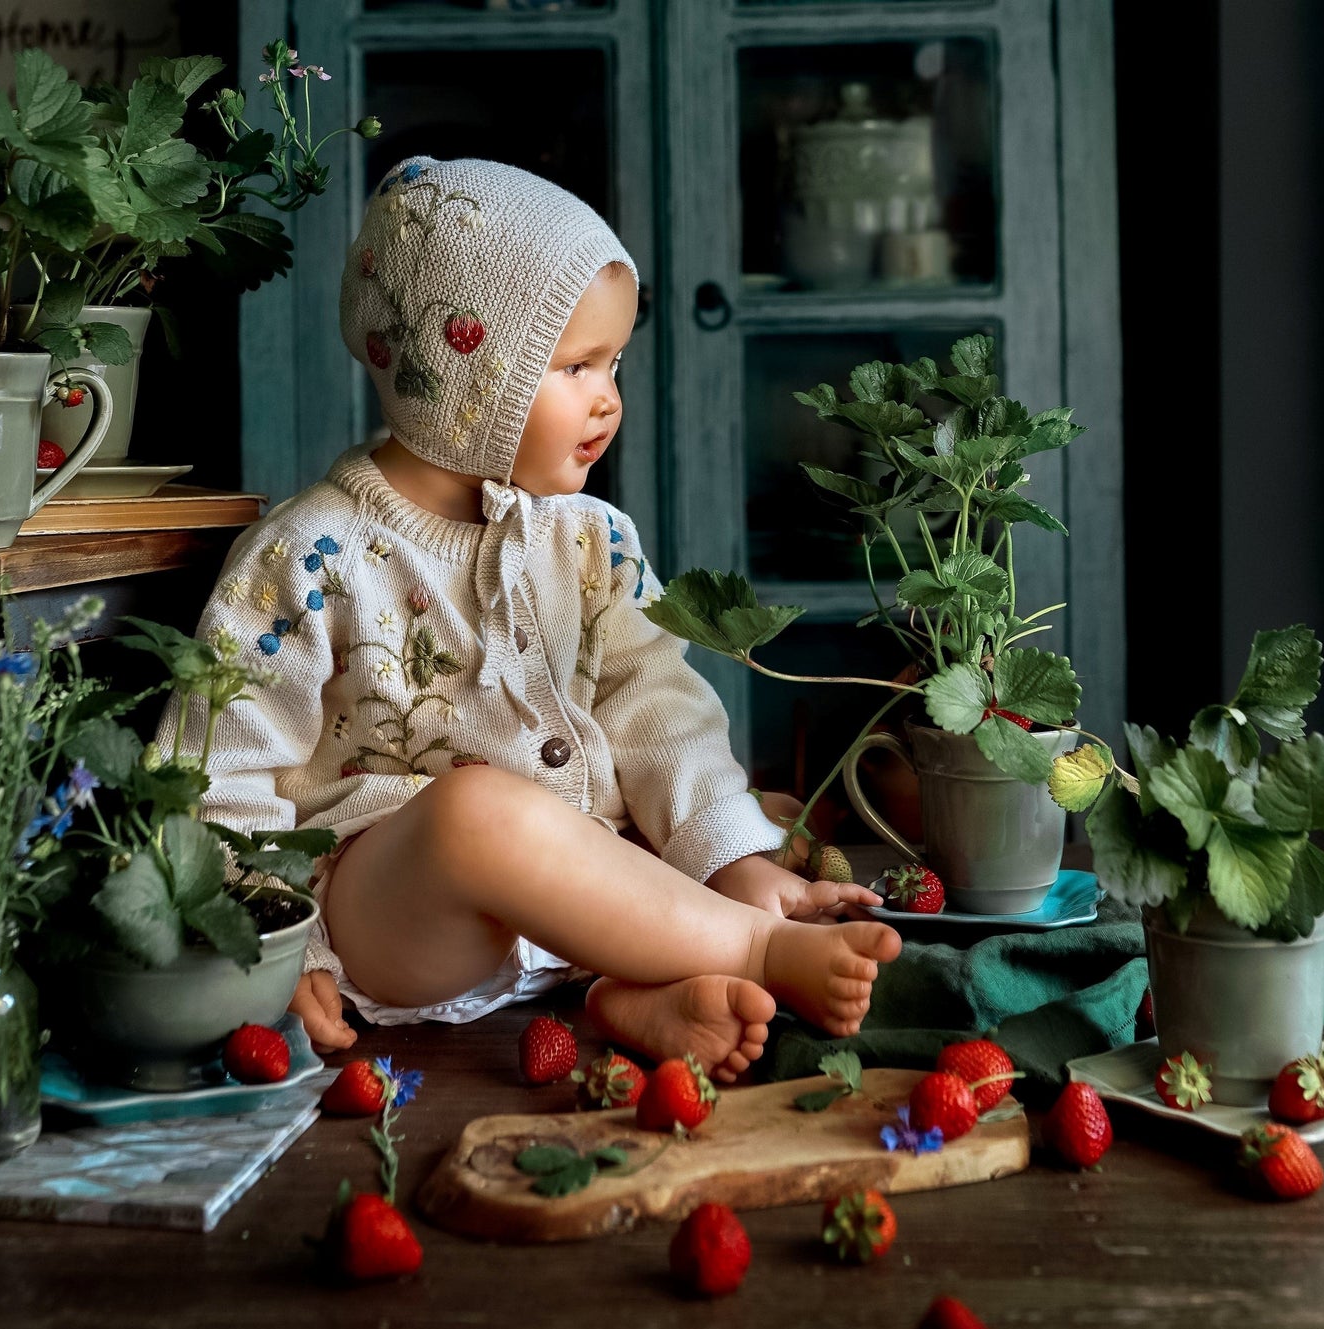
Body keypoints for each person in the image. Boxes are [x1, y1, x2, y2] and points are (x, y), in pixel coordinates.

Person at [177, 156, 900, 1082]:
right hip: (401, 919)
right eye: (574, 366)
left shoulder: (593, 540)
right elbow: (216, 773)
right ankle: (751, 952)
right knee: (476, 814)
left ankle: (625, 990)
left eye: (614, 363)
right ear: (465, 375)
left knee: (709, 812)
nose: (608, 397)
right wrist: (279, 951)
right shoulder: (308, 557)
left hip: (580, 897)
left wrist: (731, 863)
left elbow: (660, 711)